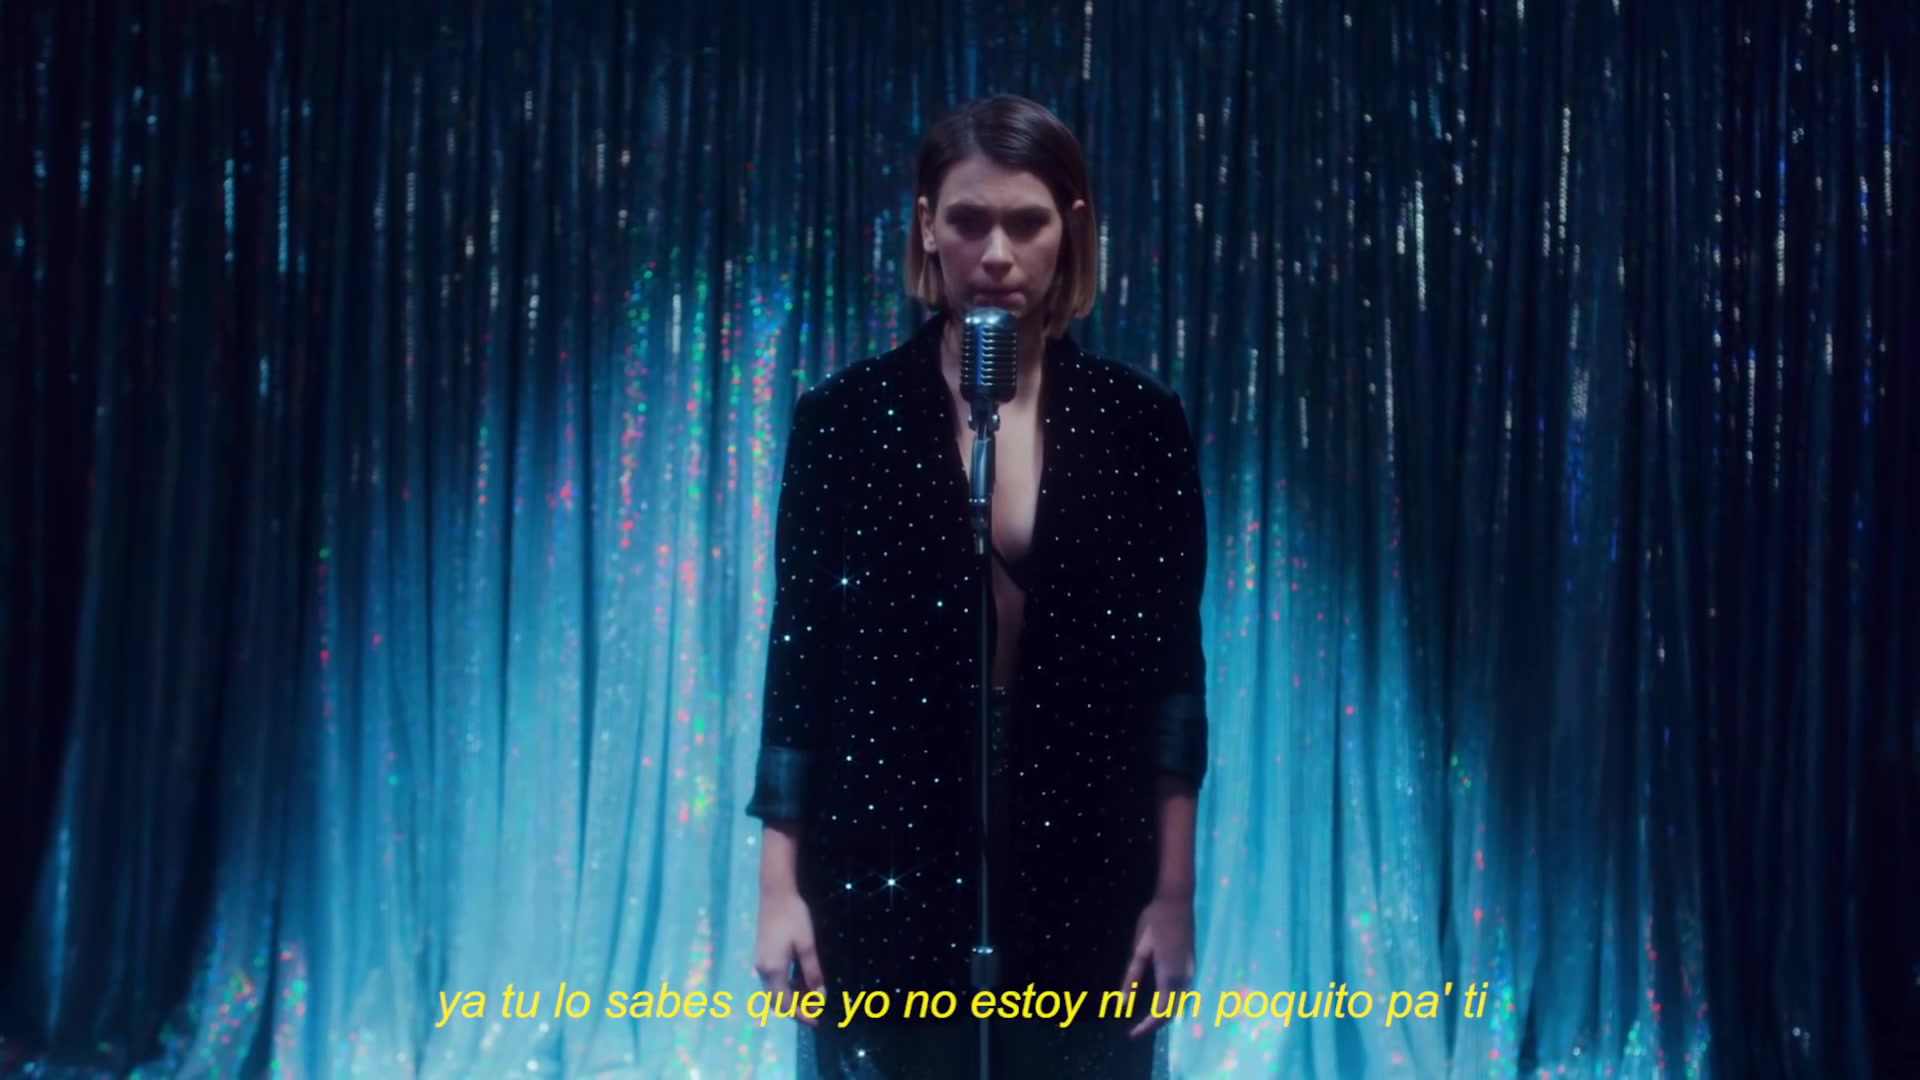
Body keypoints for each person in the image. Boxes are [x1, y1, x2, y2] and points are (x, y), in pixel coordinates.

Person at [746, 94, 1210, 1079]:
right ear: (926, 226)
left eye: (1026, 223)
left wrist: (1174, 892)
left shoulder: (1139, 424)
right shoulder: (844, 422)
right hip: (885, 854)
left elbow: (1171, 680)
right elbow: (801, 663)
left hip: (1086, 853)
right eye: (967, 221)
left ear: (1070, 228)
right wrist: (778, 887)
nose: (996, 253)